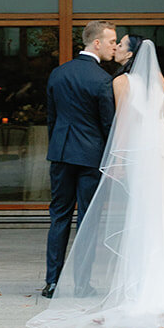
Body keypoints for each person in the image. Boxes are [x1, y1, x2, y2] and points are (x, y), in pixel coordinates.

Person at [28, 35, 164, 328]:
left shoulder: (116, 82)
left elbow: (121, 124)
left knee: (136, 216)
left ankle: (124, 286)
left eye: (120, 44)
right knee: (162, 215)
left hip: (136, 152)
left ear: (131, 53)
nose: (115, 47)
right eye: (113, 42)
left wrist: (116, 159)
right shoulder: (156, 77)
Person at [39, 19, 118, 298]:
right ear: (96, 42)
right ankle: (82, 285)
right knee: (87, 220)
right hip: (90, 157)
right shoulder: (102, 80)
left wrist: (58, 145)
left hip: (61, 153)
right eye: (111, 42)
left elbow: (52, 118)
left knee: (59, 216)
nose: (114, 47)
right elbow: (108, 125)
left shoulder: (58, 73)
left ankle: (52, 283)